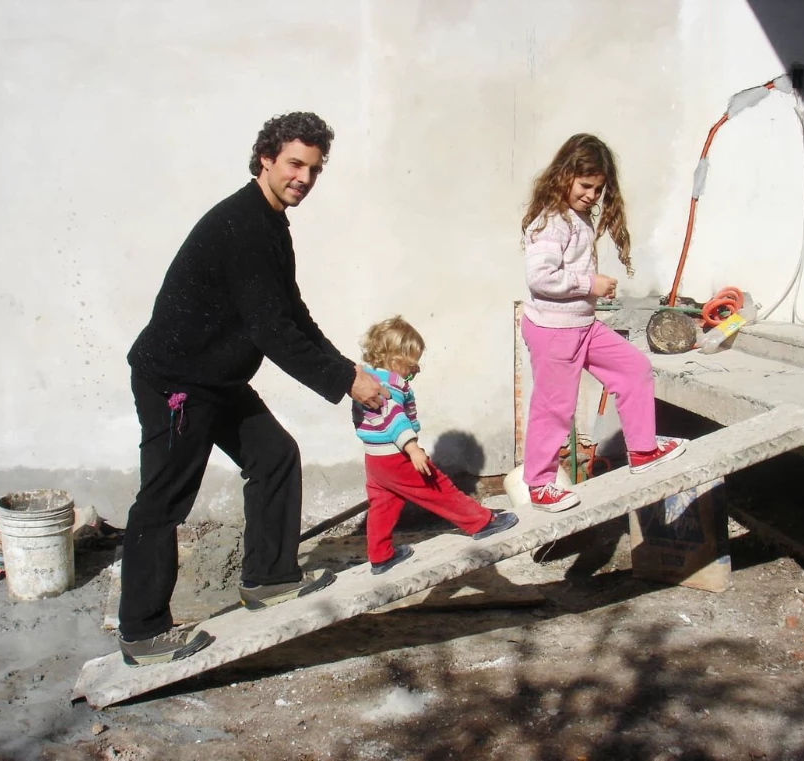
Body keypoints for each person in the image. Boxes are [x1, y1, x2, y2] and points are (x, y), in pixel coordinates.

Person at [119, 112, 389, 667]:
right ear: (266, 158)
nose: (304, 179)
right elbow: (273, 332)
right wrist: (345, 382)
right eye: (295, 164)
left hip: (215, 377)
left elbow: (291, 312)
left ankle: (268, 578)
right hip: (177, 382)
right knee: (164, 500)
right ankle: (142, 633)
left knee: (274, 455)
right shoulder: (242, 225)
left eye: (314, 169)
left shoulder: (270, 222)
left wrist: (346, 368)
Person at [521, 133, 687, 512]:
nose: (591, 195)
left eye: (598, 189)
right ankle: (540, 483)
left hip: (580, 323)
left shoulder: (575, 218)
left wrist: (591, 290)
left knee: (634, 368)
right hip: (554, 330)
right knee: (554, 407)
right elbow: (539, 278)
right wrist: (589, 283)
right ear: (563, 175)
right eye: (585, 185)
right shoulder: (552, 221)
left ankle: (643, 450)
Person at [352, 316, 518, 574]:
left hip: (374, 459)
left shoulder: (365, 381)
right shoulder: (388, 387)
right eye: (413, 361)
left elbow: (365, 420)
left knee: (383, 505)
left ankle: (380, 556)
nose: (416, 367)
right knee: (439, 488)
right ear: (395, 359)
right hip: (397, 456)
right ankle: (481, 523)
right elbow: (395, 418)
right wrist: (412, 448)